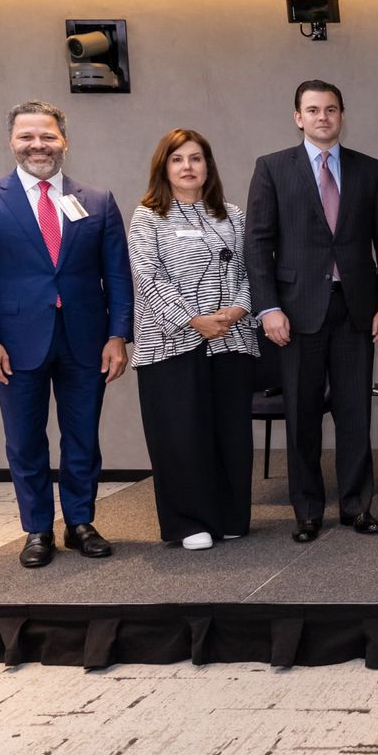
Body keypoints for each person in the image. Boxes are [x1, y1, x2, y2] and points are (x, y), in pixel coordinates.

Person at [0, 100, 131, 568]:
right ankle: (37, 529)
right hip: (12, 344)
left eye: (47, 136)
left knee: (82, 437)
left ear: (64, 140)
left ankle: (80, 522)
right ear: (11, 141)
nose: (38, 145)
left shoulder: (98, 200)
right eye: (27, 136)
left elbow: (117, 274)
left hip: (86, 340)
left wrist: (117, 335)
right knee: (25, 441)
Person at [245, 80, 378, 543]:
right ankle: (308, 511)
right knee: (302, 417)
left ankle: (357, 507)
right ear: (298, 117)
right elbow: (258, 244)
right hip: (295, 315)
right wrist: (268, 308)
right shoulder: (272, 168)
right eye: (313, 110)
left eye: (331, 109)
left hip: (356, 310)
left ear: (342, 115)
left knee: (355, 414)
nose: (322, 117)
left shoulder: (370, 170)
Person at [127, 129, 258, 550]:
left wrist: (238, 309)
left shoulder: (232, 215)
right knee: (181, 435)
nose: (188, 167)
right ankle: (188, 523)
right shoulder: (148, 216)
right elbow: (148, 276)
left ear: (208, 166)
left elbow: (252, 269)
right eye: (178, 159)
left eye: (196, 158)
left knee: (230, 433)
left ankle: (231, 515)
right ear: (163, 167)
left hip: (231, 339)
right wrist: (192, 320)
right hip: (171, 343)